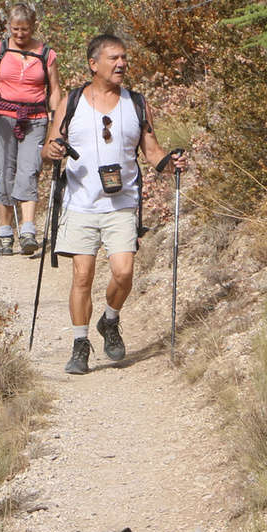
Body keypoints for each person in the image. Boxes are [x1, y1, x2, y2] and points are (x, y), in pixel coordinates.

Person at [42, 32, 186, 375]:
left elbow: (152, 152)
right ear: (94, 64)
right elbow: (49, 147)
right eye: (113, 59)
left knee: (123, 272)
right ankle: (80, 344)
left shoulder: (135, 103)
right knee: (82, 276)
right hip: (80, 203)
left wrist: (171, 163)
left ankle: (109, 320)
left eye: (124, 58)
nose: (121, 64)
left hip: (121, 203)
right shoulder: (72, 102)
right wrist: (53, 151)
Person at [0, 3, 62, 256]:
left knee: (29, 171)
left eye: (24, 29)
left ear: (33, 27)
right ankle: (6, 233)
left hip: (35, 118)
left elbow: (55, 87)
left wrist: (57, 119)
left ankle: (28, 231)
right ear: (9, 27)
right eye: (15, 29)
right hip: (2, 117)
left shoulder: (46, 53)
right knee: (4, 172)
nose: (20, 34)